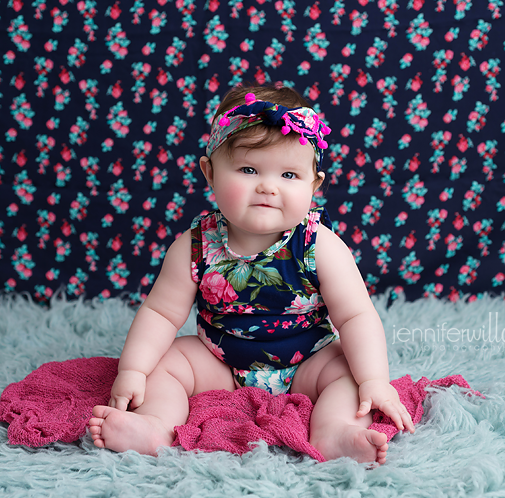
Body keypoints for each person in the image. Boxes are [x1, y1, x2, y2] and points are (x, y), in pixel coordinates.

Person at [89, 84, 415, 464]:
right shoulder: (195, 246)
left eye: (289, 175)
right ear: (209, 172)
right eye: (248, 169)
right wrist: (133, 369)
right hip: (219, 362)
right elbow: (161, 314)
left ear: (315, 185)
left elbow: (357, 315)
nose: (268, 186)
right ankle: (155, 423)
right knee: (166, 363)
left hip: (306, 361)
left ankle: (334, 430)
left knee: (346, 371)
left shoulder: (319, 245)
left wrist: (374, 380)